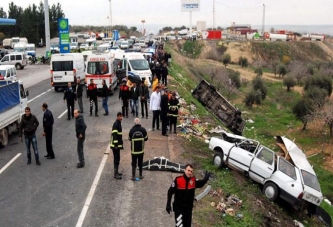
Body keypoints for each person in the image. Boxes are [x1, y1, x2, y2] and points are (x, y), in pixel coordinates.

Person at [110, 112, 124, 180]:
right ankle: (115, 174)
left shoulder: (118, 123)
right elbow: (115, 135)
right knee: (116, 159)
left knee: (117, 158)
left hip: (117, 145)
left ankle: (116, 172)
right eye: (121, 116)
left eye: (122, 116)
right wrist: (116, 145)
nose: (122, 118)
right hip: (115, 146)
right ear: (118, 116)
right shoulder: (116, 124)